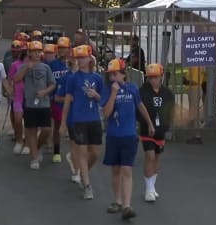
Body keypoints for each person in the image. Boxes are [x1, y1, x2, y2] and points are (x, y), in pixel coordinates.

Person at [101, 59, 155, 220]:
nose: (112, 77)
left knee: (127, 169)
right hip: (113, 135)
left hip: (129, 135)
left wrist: (150, 123)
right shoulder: (107, 90)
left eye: (115, 74)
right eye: (110, 74)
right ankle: (117, 200)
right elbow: (106, 114)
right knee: (116, 169)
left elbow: (140, 106)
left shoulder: (132, 89)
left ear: (123, 74)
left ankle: (127, 205)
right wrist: (113, 94)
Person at [60, 45, 103, 200]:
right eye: (78, 58)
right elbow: (67, 101)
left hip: (94, 119)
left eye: (83, 57)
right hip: (79, 119)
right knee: (83, 152)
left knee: (96, 153)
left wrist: (97, 95)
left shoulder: (97, 78)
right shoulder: (73, 78)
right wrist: (63, 123)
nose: (80, 61)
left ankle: (84, 174)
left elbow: (103, 99)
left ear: (90, 58)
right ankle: (87, 185)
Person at [13, 41, 56, 170]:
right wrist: (27, 68)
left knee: (47, 130)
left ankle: (36, 147)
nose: (37, 53)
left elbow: (52, 84)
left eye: (39, 51)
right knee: (31, 130)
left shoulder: (46, 67)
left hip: (44, 103)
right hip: (30, 104)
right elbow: (16, 79)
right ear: (29, 53)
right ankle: (34, 157)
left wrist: (45, 92)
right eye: (34, 51)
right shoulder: (24, 66)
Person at [139, 63, 175, 202]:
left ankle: (152, 186)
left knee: (157, 157)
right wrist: (145, 122)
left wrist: (167, 125)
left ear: (161, 76)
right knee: (150, 155)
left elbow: (170, 111)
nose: (153, 80)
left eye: (156, 77)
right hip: (146, 129)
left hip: (161, 130)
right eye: (151, 77)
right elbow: (138, 110)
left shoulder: (168, 94)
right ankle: (148, 189)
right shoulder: (142, 92)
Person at [55, 51, 80, 183]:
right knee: (75, 144)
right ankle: (77, 171)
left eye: (77, 58)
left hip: (87, 117)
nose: (75, 60)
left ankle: (78, 163)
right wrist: (69, 98)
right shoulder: (65, 78)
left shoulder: (89, 76)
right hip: (72, 116)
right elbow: (57, 97)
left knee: (87, 148)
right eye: (72, 58)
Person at [47, 37, 70, 163]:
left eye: (64, 48)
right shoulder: (52, 65)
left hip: (70, 100)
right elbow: (48, 82)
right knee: (56, 126)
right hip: (55, 100)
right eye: (59, 48)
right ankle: (56, 151)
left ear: (68, 49)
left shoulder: (72, 64)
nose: (61, 50)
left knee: (68, 126)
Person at [3, 32, 30, 138]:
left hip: (26, 89)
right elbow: (7, 72)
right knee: (13, 108)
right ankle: (15, 130)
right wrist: (7, 88)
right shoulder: (8, 56)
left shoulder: (27, 53)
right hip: (12, 86)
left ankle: (23, 132)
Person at [8, 40, 30, 155]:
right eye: (25, 53)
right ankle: (19, 140)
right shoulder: (15, 65)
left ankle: (27, 143)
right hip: (18, 97)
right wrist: (9, 91)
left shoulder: (34, 65)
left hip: (29, 97)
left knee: (28, 121)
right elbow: (11, 79)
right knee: (17, 120)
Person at [184, 66, 206, 144]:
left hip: (195, 88)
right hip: (195, 88)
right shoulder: (195, 64)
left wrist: (185, 80)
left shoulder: (197, 65)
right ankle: (195, 134)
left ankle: (197, 136)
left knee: (195, 113)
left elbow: (195, 81)